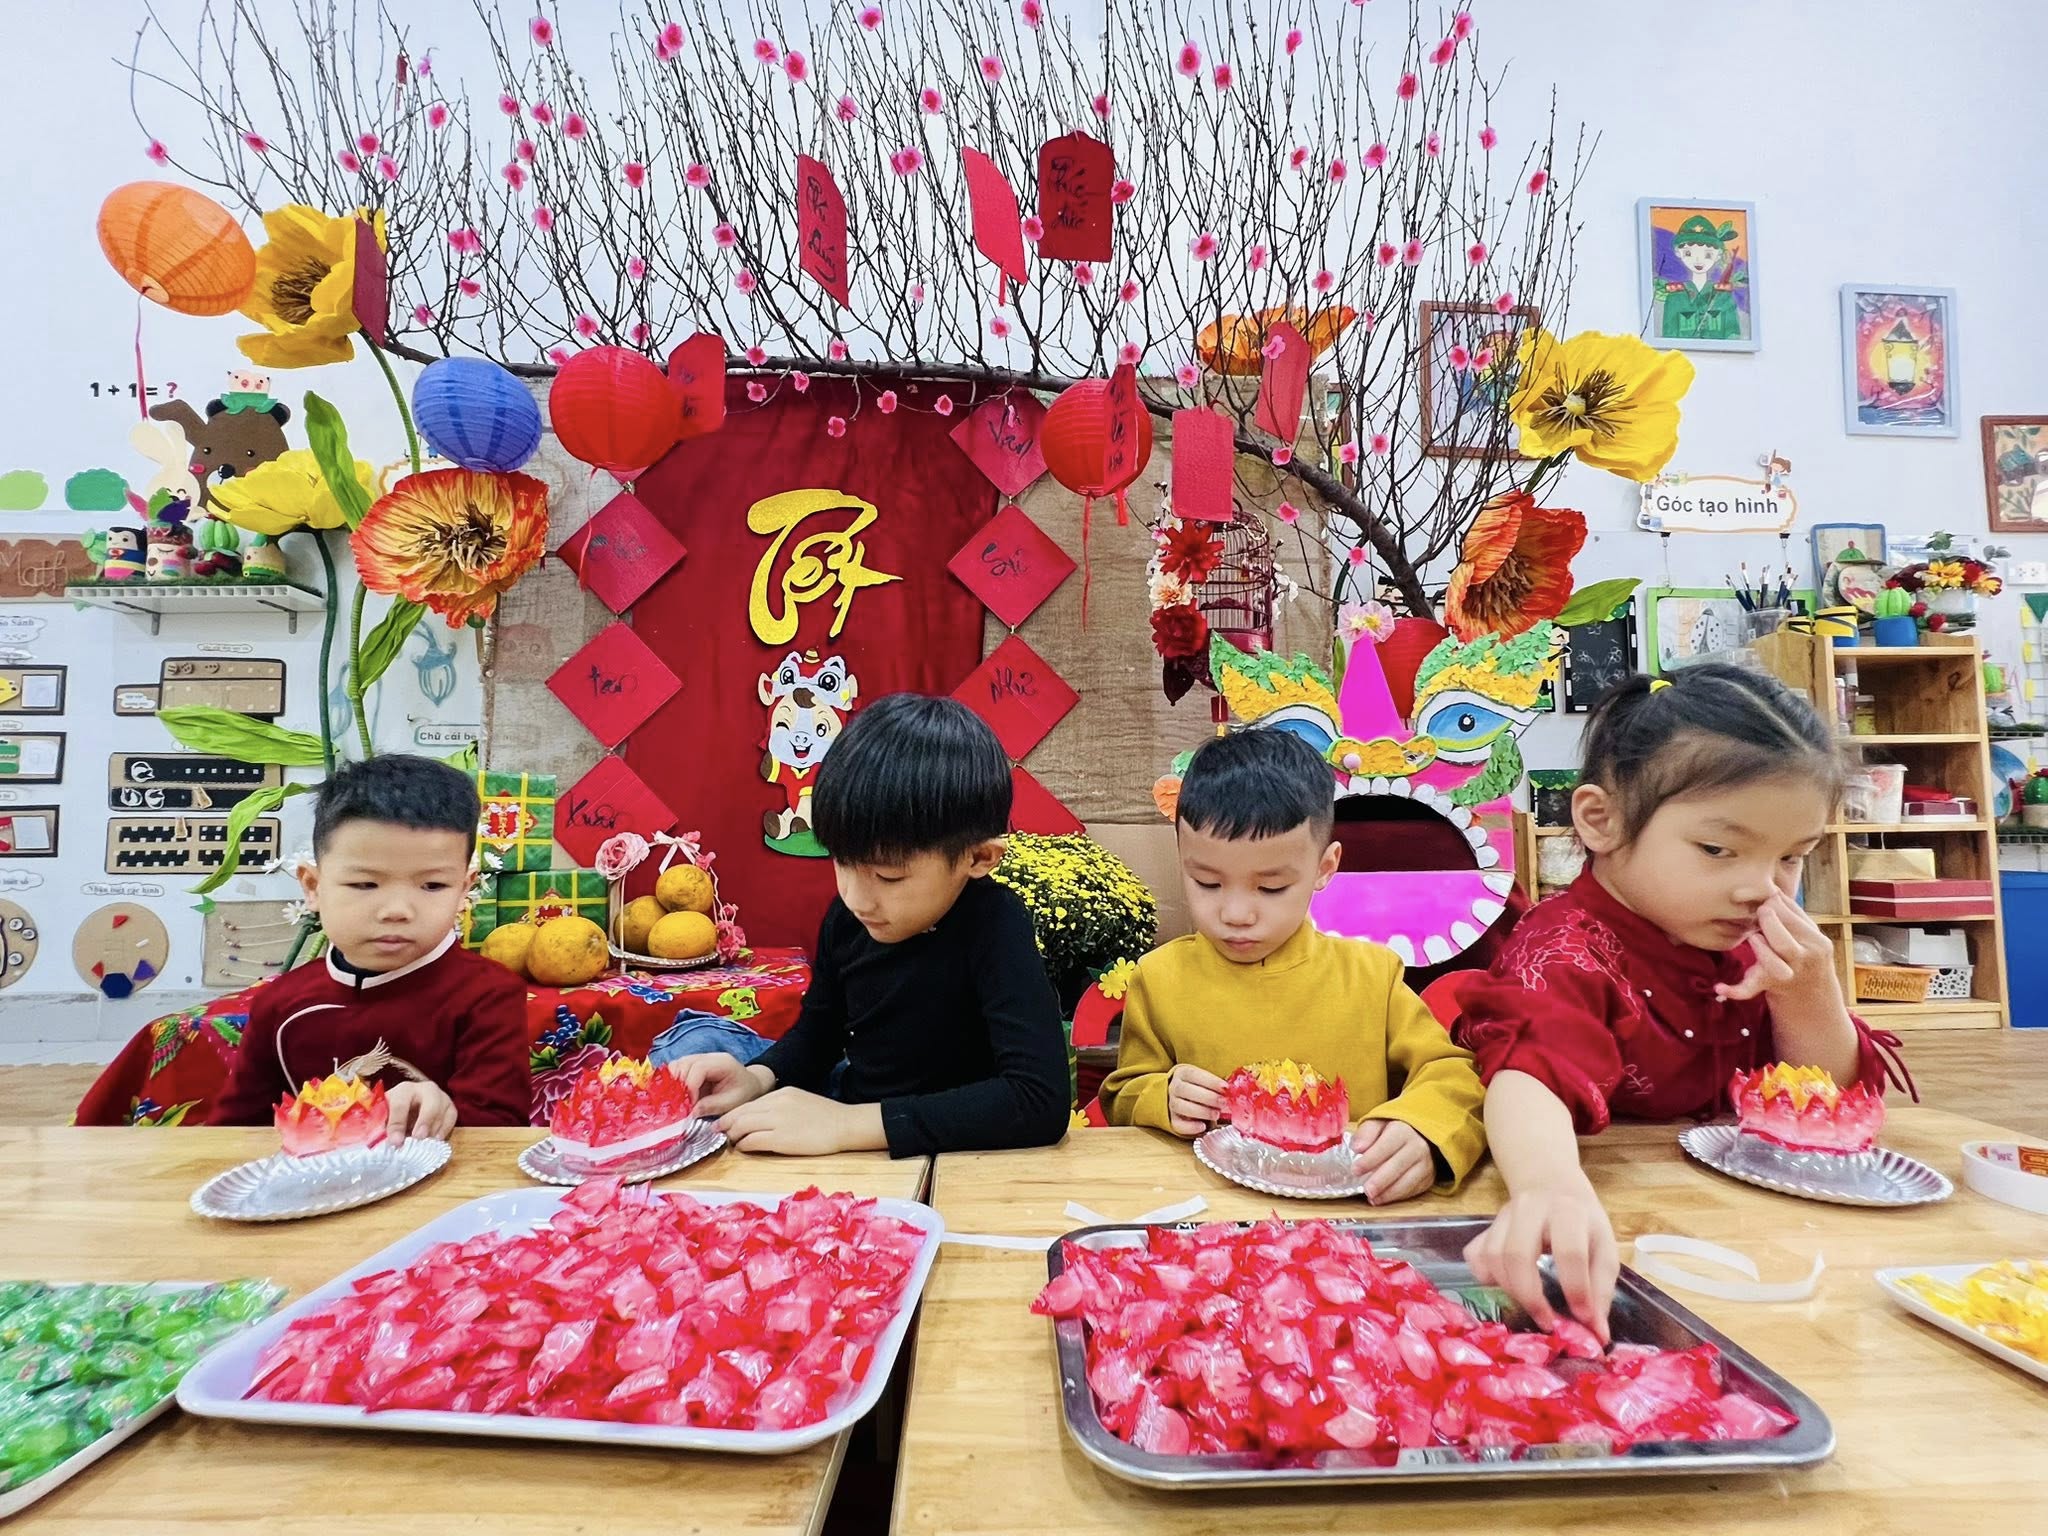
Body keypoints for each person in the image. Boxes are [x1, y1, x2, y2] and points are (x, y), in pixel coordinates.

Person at [1453, 664, 1909, 1338]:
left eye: (1792, 857)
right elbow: (1532, 1073)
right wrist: (1548, 1186)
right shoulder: (1567, 948)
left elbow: (1824, 1106)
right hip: (1617, 1246)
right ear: (1602, 820)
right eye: (1718, 849)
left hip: (1754, 1250)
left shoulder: (1749, 942)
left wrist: (1811, 997)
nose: (1761, 888)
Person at [1098, 730, 1487, 1203]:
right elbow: (1122, 1094)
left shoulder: (1372, 977)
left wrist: (1424, 1130)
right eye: (1206, 882)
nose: (1236, 913)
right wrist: (1163, 1096)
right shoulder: (1159, 978)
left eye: (1271, 888)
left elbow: (1454, 1076)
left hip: (1354, 1209)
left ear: (1324, 868)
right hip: (1211, 1208)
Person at [678, 694, 1070, 1157]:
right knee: (693, 1046)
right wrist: (757, 1078)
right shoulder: (848, 918)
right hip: (858, 1128)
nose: (857, 897)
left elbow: (1039, 1101)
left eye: (888, 877)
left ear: (978, 857)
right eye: (841, 862)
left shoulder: (995, 925)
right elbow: (819, 1034)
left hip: (956, 1152)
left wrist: (847, 1124)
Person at [211, 754, 530, 1135]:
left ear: (464, 890)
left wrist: (448, 1114)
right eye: (365, 884)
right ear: (313, 886)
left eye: (432, 885)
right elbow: (230, 1137)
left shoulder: (489, 995)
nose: (397, 911)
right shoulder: (280, 1004)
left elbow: (499, 1135)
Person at [1656, 213, 1745, 343]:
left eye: (1707, 254)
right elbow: (1669, 335)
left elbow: (1733, 334)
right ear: (1678, 252)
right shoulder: (1675, 297)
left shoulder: (1723, 296)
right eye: (1688, 253)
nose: (1698, 260)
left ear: (1718, 255)